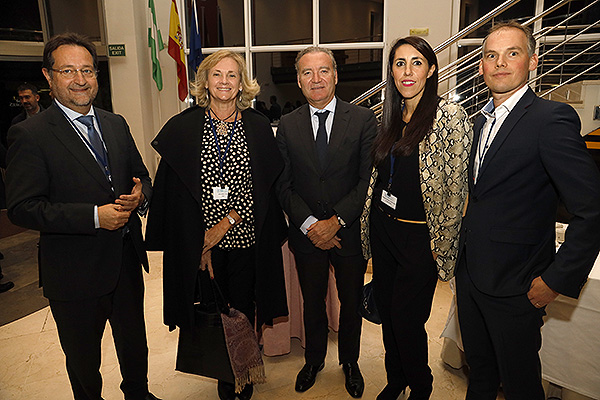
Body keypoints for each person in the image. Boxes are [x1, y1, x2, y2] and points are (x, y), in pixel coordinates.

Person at [5, 33, 159, 400]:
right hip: (73, 271)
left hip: (124, 262)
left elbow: (144, 177)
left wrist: (140, 196)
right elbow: (23, 207)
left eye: (87, 70)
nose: (80, 79)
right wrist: (93, 216)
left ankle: (138, 393)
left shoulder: (115, 123)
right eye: (68, 70)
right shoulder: (30, 134)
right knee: (83, 360)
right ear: (48, 76)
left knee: (135, 346)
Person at [456, 21, 600, 399]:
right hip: (471, 278)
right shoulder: (478, 122)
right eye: (491, 55)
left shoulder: (550, 119)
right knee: (481, 373)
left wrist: (555, 280)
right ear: (482, 65)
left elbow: (592, 210)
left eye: (512, 53)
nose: (500, 63)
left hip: (517, 286)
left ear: (533, 61)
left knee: (520, 386)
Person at [145, 49, 288, 400]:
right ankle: (227, 373)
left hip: (245, 238)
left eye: (232, 75)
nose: (224, 82)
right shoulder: (185, 126)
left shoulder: (256, 126)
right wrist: (199, 243)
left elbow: (263, 186)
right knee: (212, 309)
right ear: (205, 81)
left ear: (242, 84)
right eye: (217, 74)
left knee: (243, 306)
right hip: (200, 244)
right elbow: (177, 193)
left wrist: (225, 223)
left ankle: (244, 369)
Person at [360, 36, 471, 400]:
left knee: (407, 319)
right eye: (399, 63)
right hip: (384, 230)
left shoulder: (449, 116)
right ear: (391, 72)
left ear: (432, 69)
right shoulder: (390, 115)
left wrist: (446, 244)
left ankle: (421, 385)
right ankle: (397, 379)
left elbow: (456, 189)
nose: (407, 71)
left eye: (417, 62)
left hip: (421, 238)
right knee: (388, 317)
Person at [276, 46, 377, 398]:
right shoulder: (286, 126)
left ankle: (350, 362)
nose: (315, 79)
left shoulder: (364, 120)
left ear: (336, 75)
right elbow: (282, 184)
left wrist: (335, 222)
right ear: (299, 81)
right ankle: (314, 359)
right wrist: (310, 226)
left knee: (351, 302)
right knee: (312, 300)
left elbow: (367, 181)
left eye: (322, 71)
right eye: (307, 72)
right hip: (306, 236)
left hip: (347, 232)